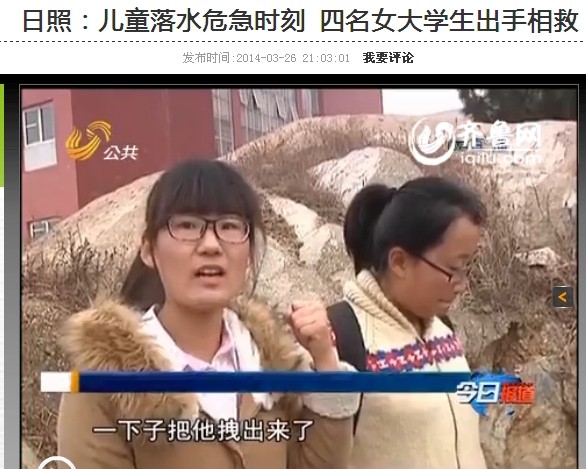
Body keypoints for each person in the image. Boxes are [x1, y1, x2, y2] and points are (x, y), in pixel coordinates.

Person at [56, 160, 360, 469]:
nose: (211, 245)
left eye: (229, 226)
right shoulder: (102, 385)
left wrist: (326, 362)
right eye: (187, 226)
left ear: (249, 254)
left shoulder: (271, 366)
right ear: (149, 250)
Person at [333, 176, 488, 469]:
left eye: (467, 267)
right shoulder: (340, 340)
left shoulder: (443, 330)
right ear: (399, 262)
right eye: (453, 268)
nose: (461, 284)